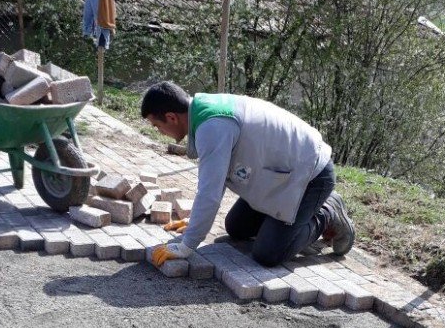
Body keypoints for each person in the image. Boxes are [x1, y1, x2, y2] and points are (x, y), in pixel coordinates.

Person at [140, 82, 355, 269]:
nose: (159, 131)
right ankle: (286, 221)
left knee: (268, 254)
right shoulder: (203, 113)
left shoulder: (212, 127)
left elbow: (210, 192)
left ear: (171, 117)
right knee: (237, 227)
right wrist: (196, 221)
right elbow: (216, 177)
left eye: (157, 126)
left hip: (311, 176)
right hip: (281, 175)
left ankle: (327, 212)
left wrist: (188, 244)